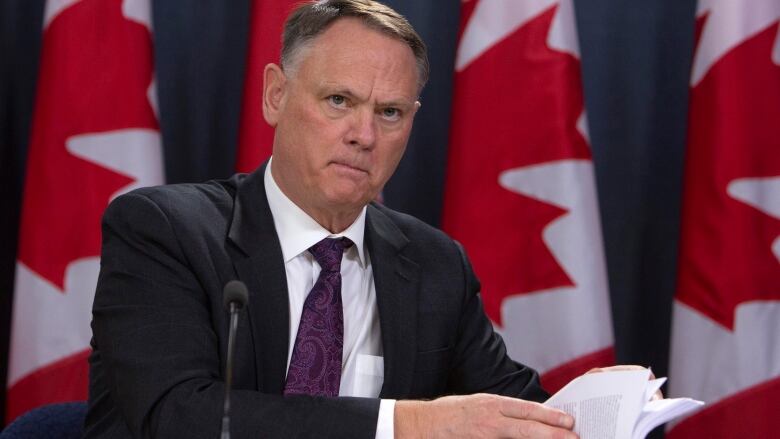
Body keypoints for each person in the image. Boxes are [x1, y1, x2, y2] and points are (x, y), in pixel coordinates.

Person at [85, 1, 629, 437]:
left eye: (389, 112)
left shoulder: (435, 264)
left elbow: (506, 410)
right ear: (276, 95)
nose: (363, 136)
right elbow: (178, 417)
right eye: (339, 100)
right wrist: (410, 424)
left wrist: (586, 410)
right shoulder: (164, 230)